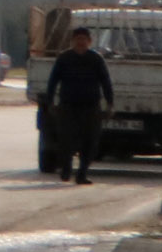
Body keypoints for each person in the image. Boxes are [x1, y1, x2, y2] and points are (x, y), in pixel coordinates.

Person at [44, 25, 113, 186]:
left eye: (84, 39)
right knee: (66, 141)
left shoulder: (96, 59)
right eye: (77, 39)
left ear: (89, 41)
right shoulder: (64, 58)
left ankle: (82, 174)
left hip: (91, 107)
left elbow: (106, 82)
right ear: (72, 41)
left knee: (90, 142)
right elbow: (53, 81)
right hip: (68, 106)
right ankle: (66, 169)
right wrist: (50, 102)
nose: (80, 42)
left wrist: (110, 103)